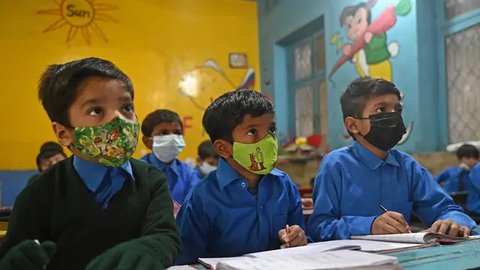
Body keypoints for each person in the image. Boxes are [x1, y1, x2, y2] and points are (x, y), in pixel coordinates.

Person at [0, 57, 180, 270]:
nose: (119, 120)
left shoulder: (151, 180)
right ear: (63, 133)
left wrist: (152, 248)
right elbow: (13, 253)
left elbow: (166, 235)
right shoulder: (39, 193)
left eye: (126, 107)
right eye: (96, 110)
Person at [307, 78, 476, 241]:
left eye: (397, 109)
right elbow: (319, 227)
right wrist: (369, 225)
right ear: (353, 125)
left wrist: (454, 221)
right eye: (381, 110)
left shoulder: (407, 166)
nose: (394, 116)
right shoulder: (336, 165)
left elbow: (446, 209)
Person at [176, 89, 307, 264]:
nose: (268, 140)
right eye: (253, 132)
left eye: (271, 129)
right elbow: (185, 261)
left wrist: (298, 238)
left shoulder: (284, 185)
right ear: (223, 148)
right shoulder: (201, 199)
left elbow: (303, 244)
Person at [140, 109, 200, 204]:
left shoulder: (188, 174)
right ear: (147, 141)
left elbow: (196, 206)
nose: (172, 139)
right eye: (163, 133)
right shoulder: (136, 172)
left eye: (177, 133)